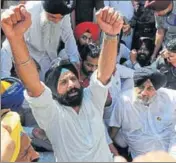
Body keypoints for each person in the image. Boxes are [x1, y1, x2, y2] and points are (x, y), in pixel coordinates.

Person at [1, 5, 124, 161]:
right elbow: (33, 85)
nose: (71, 84)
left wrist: (111, 35)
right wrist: (16, 38)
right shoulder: (52, 115)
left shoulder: (92, 99)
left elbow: (104, 74)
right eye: (63, 82)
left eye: (73, 78)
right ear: (53, 92)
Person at [1, 0, 80, 81]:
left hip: (48, 54)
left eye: (61, 18)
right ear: (43, 9)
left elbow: (68, 36)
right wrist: (4, 78)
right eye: (52, 17)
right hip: (28, 52)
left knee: (51, 82)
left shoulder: (63, 12)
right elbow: (8, 46)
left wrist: (75, 61)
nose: (57, 21)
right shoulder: (29, 11)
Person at [109, 67, 176, 159]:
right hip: (142, 157)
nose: (144, 93)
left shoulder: (168, 97)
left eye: (149, 88)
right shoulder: (124, 101)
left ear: (156, 90)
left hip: (169, 156)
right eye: (140, 87)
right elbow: (113, 130)